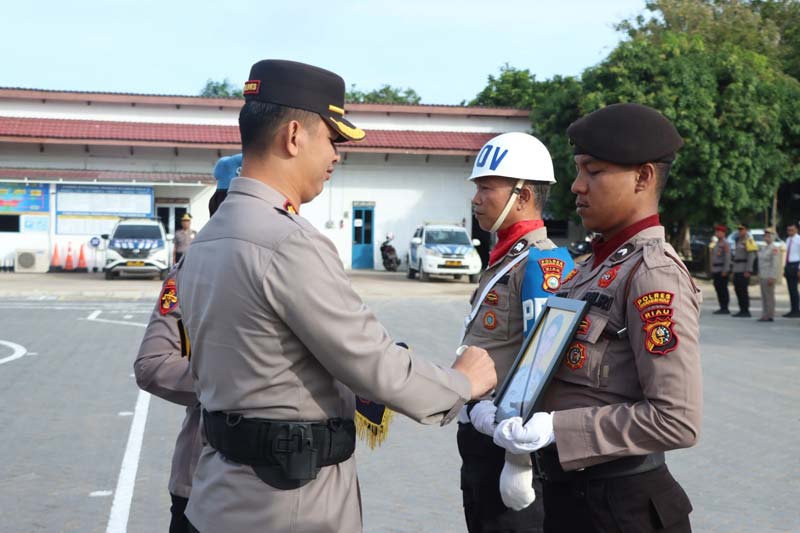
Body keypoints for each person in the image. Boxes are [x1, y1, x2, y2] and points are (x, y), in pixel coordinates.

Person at [176, 59, 497, 533]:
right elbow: (372, 362)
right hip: (289, 504)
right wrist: (462, 383)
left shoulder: (207, 240)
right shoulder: (288, 242)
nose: (336, 156)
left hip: (220, 491)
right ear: (293, 136)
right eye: (332, 139)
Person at [471, 103, 703, 532]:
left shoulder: (652, 273)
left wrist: (558, 428)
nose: (577, 186)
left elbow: (677, 419)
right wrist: (498, 409)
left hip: (623, 506)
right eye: (579, 170)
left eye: (593, 172)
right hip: (574, 499)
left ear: (643, 177)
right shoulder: (591, 269)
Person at [457, 132, 574, 532]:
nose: (476, 199)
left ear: (522, 196)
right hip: (480, 433)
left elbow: (544, 365)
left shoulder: (543, 263)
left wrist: (517, 459)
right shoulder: (505, 259)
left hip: (506, 445)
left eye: (486, 188)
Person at [133, 154, 239, 532]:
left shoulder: (294, 265)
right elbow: (152, 365)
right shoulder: (190, 270)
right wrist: (236, 383)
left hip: (282, 488)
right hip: (202, 474)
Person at [731, 223, 757, 317]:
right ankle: (741, 309)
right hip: (737, 268)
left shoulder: (749, 241)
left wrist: (748, 270)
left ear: (746, 230)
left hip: (744, 269)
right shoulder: (738, 240)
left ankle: (746, 310)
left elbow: (751, 256)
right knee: (737, 289)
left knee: (743, 290)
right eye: (739, 229)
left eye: (742, 229)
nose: (740, 231)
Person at [757, 227, 782, 322]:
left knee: (769, 296)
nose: (765, 238)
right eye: (765, 236)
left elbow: (775, 264)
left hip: (769, 276)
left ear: (772, 237)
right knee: (764, 296)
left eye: (768, 236)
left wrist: (772, 276)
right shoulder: (764, 248)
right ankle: (765, 314)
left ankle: (769, 315)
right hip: (762, 275)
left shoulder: (774, 248)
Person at [710, 224, 732, 314]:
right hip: (716, 269)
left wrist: (725, 270)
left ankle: (725, 307)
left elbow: (727, 258)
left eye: (719, 232)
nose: (717, 233)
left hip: (722, 270)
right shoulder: (717, 243)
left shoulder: (725, 244)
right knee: (718, 288)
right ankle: (721, 306)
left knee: (723, 289)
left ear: (723, 233)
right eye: (716, 232)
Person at [783, 223, 800, 317]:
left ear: (796, 230)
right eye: (788, 230)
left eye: (792, 230)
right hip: (789, 264)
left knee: (794, 289)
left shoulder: (799, 239)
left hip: (796, 264)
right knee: (790, 289)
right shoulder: (788, 239)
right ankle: (793, 309)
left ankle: (797, 310)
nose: (790, 232)